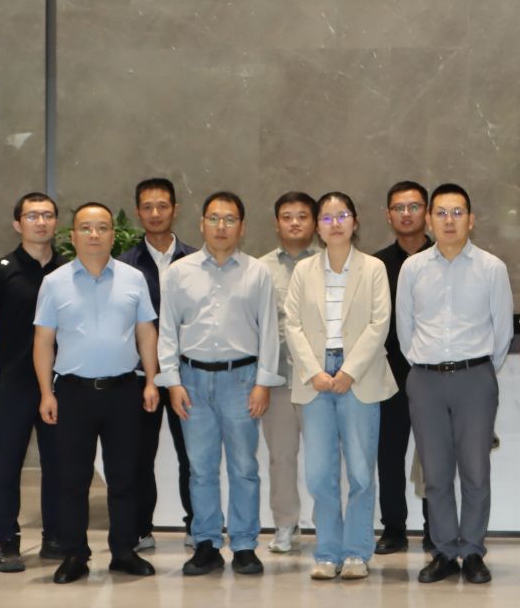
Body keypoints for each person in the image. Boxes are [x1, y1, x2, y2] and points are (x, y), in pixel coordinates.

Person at [156, 191, 284, 578]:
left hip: (241, 380)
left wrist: (263, 383)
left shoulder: (257, 272)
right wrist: (172, 381)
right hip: (192, 380)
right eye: (214, 218)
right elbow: (167, 330)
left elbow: (269, 332)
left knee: (244, 467)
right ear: (201, 224)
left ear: (242, 227)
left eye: (230, 219)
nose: (221, 226)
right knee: (200, 468)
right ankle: (207, 544)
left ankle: (244, 545)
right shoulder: (179, 272)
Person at [32, 202, 162, 583]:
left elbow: (146, 332)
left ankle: (123, 551)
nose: (94, 234)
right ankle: (75, 554)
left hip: (124, 391)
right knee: (72, 480)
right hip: (73, 393)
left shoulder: (133, 279)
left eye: (102, 228)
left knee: (125, 476)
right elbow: (43, 341)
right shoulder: (54, 282)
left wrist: (151, 380)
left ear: (112, 235)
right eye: (86, 228)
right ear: (72, 236)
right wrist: (46, 393)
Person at [397, 183, 514, 586]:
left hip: (474, 379)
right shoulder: (413, 269)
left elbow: (502, 331)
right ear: (430, 220)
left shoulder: (491, 268)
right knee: (435, 472)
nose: (449, 221)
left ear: (471, 219)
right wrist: (425, 365)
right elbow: (405, 329)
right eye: (442, 213)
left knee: (476, 470)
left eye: (457, 212)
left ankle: (474, 551)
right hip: (425, 380)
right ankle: (445, 551)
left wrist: (478, 371)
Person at [282, 192, 395, 583]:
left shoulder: (373, 268)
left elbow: (379, 323)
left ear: (355, 221)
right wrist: (314, 371)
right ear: (317, 226)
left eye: (342, 215)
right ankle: (327, 553)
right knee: (319, 474)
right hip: (315, 378)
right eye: (327, 217)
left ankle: (356, 552)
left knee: (361, 472)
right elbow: (292, 325)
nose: (335, 223)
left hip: (358, 376)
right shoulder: (304, 271)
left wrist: (349, 370)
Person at [0, 193, 72, 571]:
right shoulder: (0, 271)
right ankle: (7, 541)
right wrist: (4, 368)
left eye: (47, 215)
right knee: (8, 462)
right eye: (32, 216)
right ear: (18, 224)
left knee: (58, 463)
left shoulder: (67, 270)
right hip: (15, 385)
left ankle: (55, 537)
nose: (40, 222)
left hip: (60, 384)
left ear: (56, 222)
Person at [119, 177, 196, 546]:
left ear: (175, 210)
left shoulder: (195, 261)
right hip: (141, 376)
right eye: (147, 207)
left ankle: (197, 527)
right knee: (138, 456)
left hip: (186, 375)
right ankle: (140, 529)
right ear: (138, 212)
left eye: (162, 206)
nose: (155, 213)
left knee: (192, 456)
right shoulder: (125, 266)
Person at [257, 191, 318, 555]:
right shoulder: (260, 269)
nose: (294, 223)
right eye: (287, 216)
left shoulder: (329, 263)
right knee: (280, 456)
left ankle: (328, 523)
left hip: (319, 380)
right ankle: (285, 524)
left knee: (324, 457)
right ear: (276, 223)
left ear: (314, 222)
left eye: (302, 216)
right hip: (278, 379)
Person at [373, 180, 431, 555]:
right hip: (388, 375)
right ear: (388, 215)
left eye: (414, 207)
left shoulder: (442, 259)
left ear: (427, 212)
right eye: (399, 208)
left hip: (432, 377)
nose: (406, 214)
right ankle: (393, 528)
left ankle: (435, 527)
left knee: (434, 458)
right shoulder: (376, 265)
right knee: (389, 456)